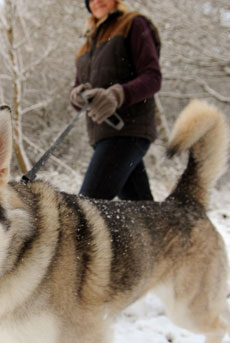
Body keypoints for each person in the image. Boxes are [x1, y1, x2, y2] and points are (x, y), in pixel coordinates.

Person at [70, 0, 161, 201]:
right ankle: (168, 233)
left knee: (88, 208)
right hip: (101, 134)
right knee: (140, 210)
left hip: (129, 130)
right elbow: (77, 96)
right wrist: (77, 95)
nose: (97, 1)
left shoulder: (133, 23)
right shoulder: (87, 44)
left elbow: (153, 77)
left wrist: (117, 95)